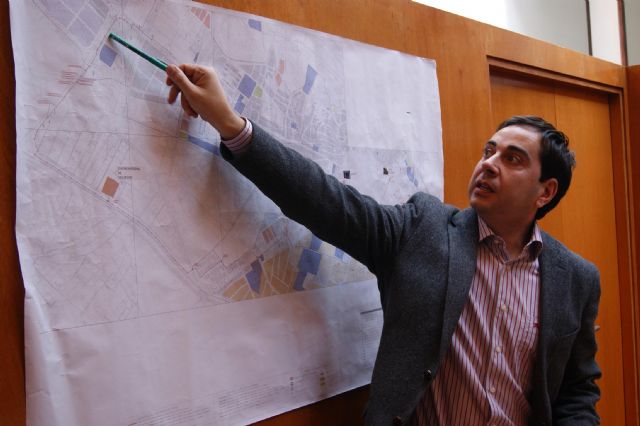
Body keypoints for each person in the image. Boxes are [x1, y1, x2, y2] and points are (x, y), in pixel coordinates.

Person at [165, 63, 601, 425]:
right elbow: (328, 203)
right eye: (489, 151)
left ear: (545, 192)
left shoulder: (576, 279)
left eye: (512, 159)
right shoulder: (424, 230)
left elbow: (576, 390)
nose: (488, 164)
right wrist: (231, 125)